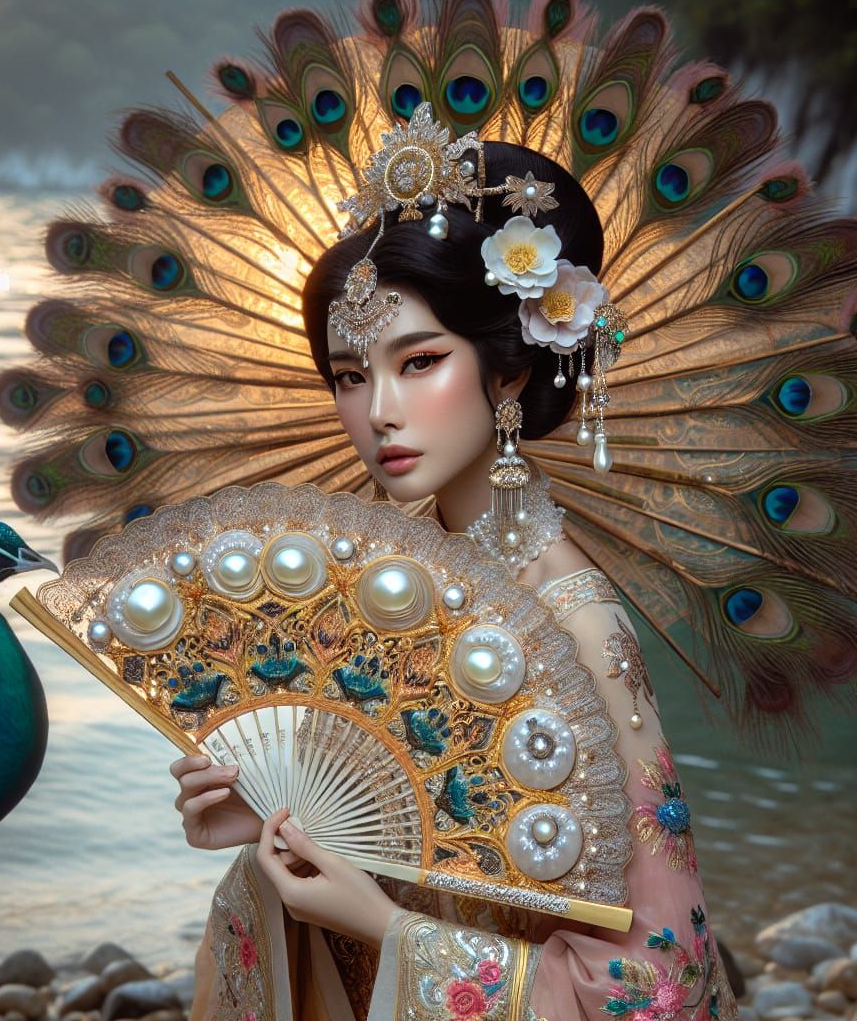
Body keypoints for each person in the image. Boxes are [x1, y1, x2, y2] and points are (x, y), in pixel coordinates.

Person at [170, 136, 737, 1021]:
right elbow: (384, 833)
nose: (379, 413)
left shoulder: (576, 623)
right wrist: (271, 832)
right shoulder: (399, 590)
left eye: (419, 362)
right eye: (350, 376)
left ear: (506, 369)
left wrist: (391, 933)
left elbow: (661, 986)